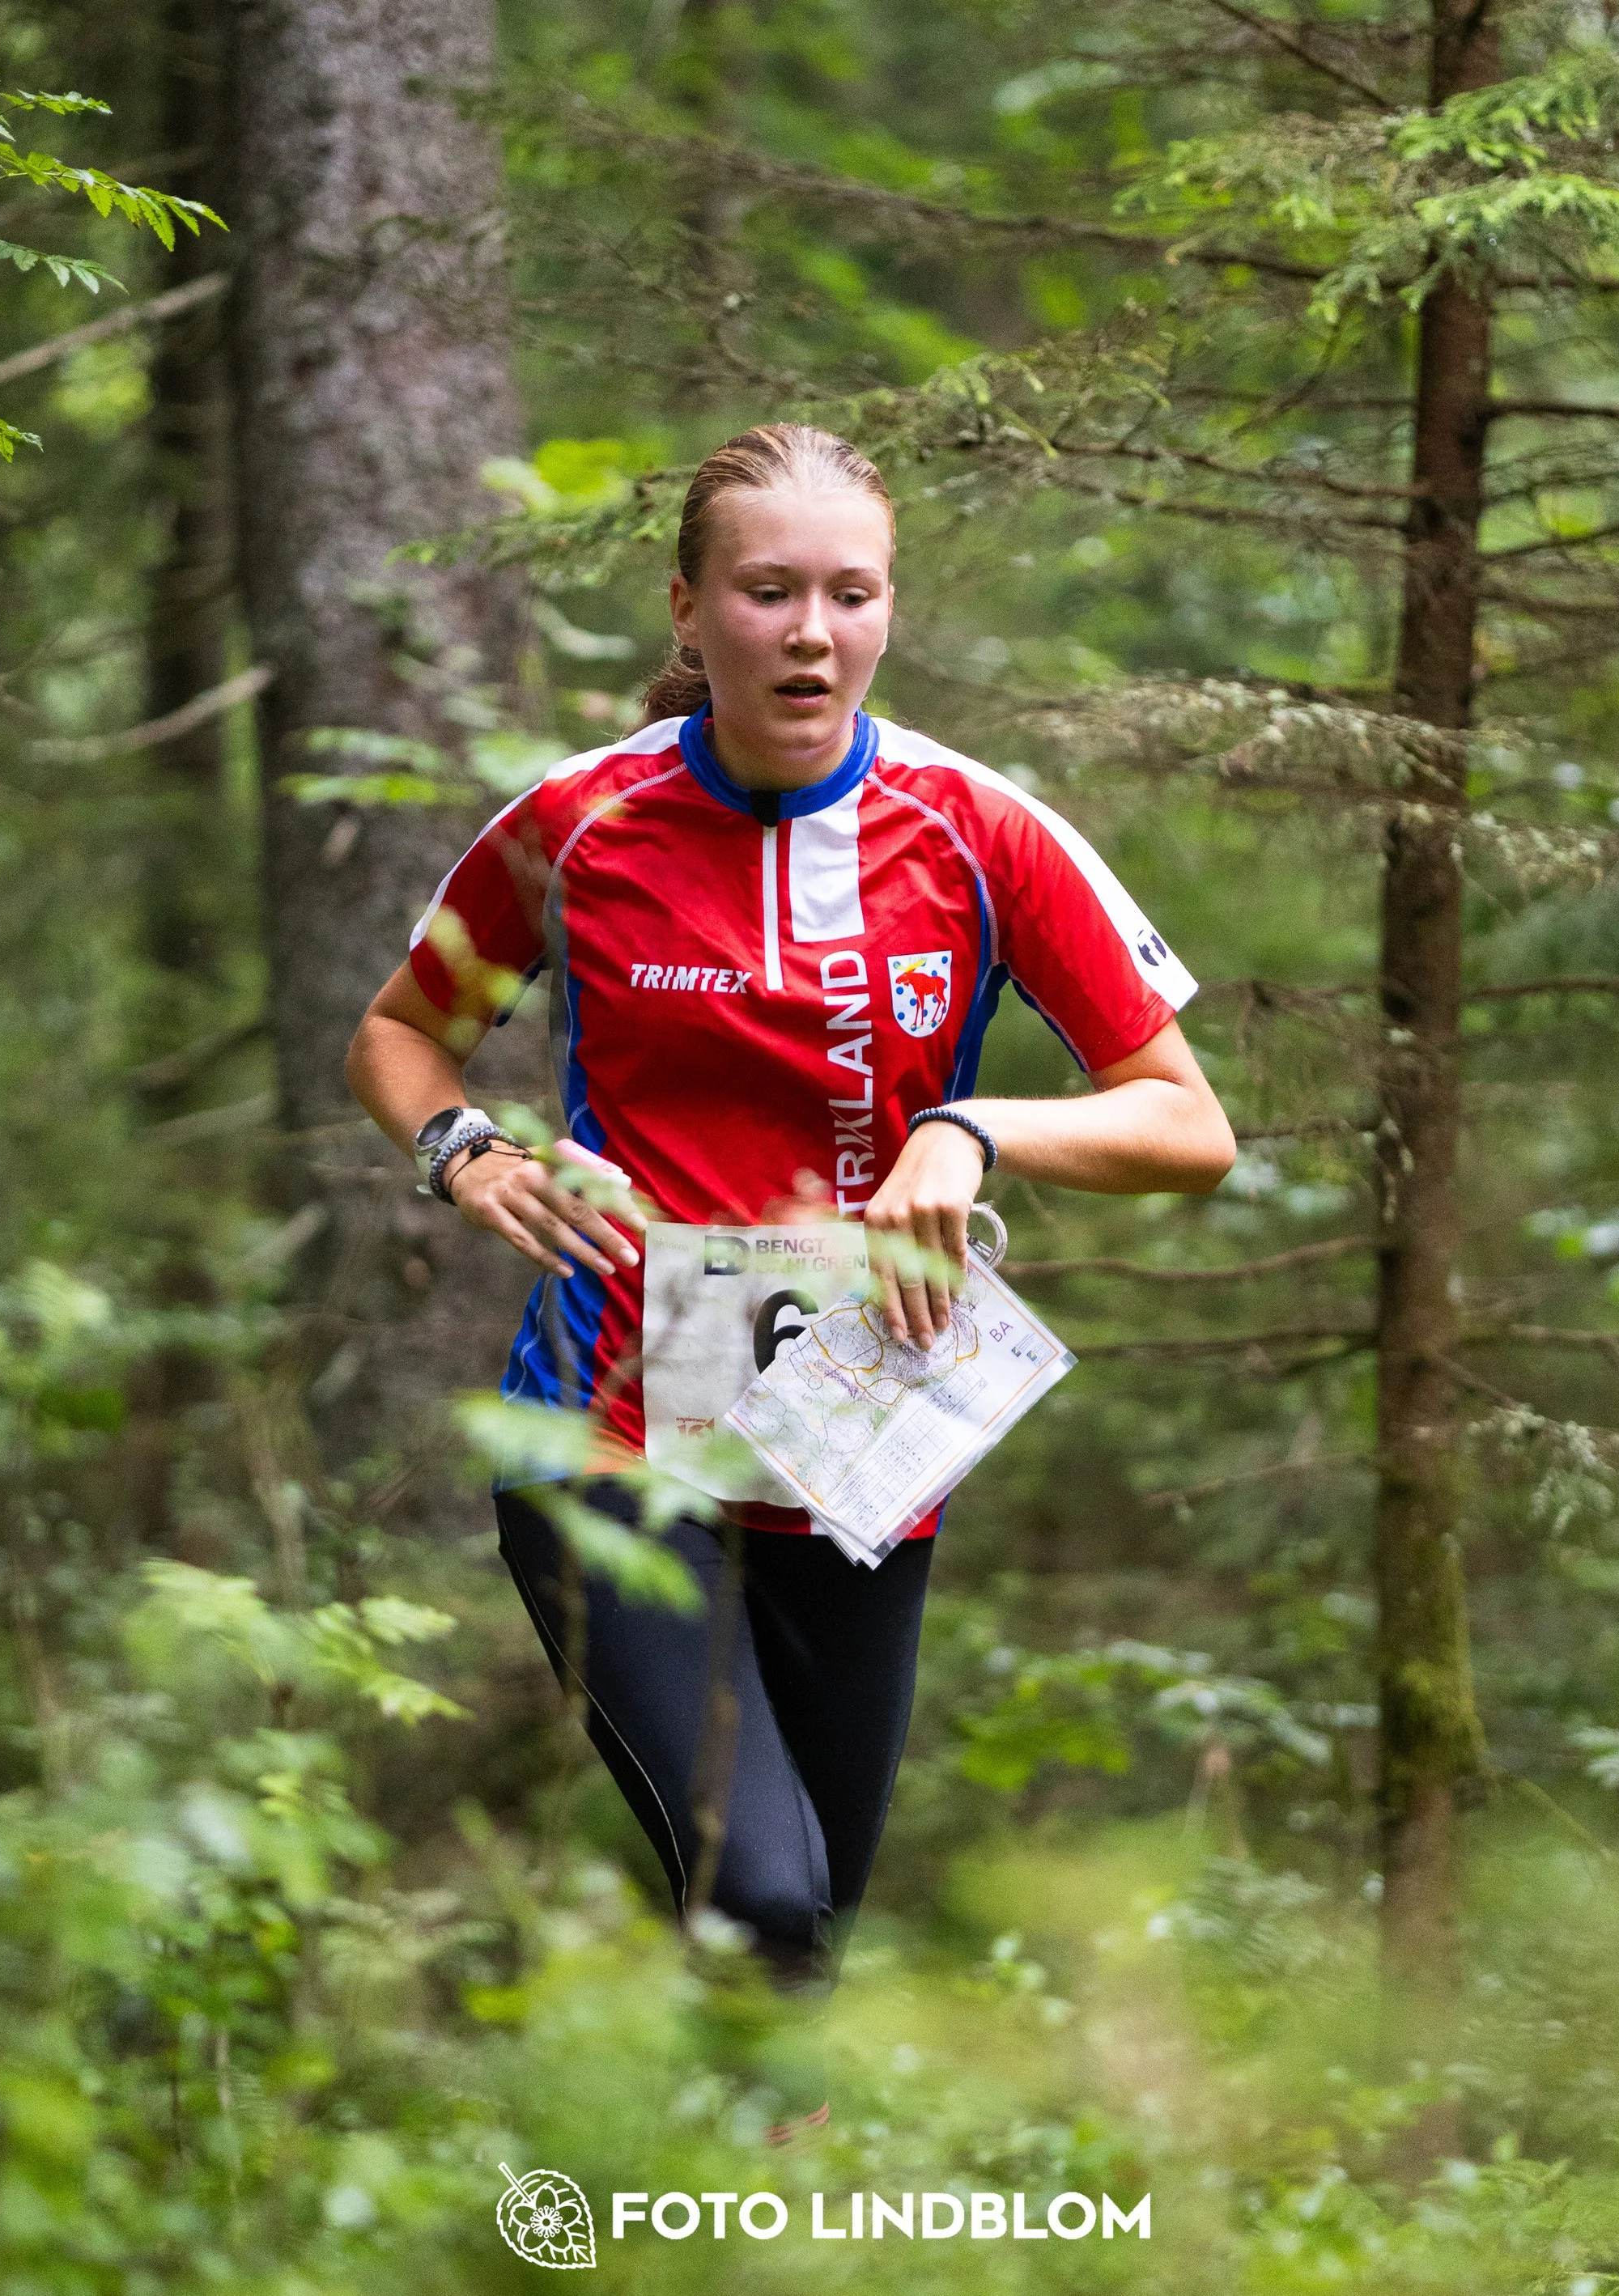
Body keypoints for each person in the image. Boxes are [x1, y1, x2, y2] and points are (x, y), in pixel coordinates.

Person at [346, 423, 1234, 2118]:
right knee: (756, 1900)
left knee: (800, 1924)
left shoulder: (976, 829)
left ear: (888, 611)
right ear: (691, 609)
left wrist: (972, 1126)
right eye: (768, 591)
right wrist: (464, 1149)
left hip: (853, 1457)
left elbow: (1184, 1124)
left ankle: (746, 2220)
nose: (809, 630)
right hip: (610, 1446)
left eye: (850, 591)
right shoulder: (573, 826)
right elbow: (401, 1031)